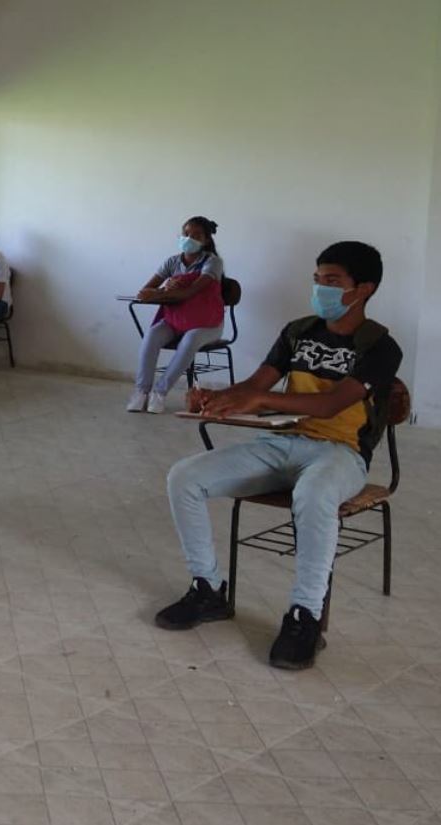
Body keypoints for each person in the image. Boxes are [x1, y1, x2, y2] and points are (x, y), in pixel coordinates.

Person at [155, 241, 402, 670]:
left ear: (364, 289)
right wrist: (216, 397)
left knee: (315, 493)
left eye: (332, 281)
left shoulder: (380, 346)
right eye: (317, 279)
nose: (321, 289)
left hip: (342, 454)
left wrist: (261, 400)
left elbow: (331, 405)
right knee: (184, 476)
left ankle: (305, 616)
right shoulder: (298, 331)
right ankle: (207, 590)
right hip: (281, 443)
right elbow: (257, 387)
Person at [127, 216, 226, 414]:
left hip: (206, 323)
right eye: (186, 234)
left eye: (196, 235)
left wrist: (164, 291)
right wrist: (164, 289)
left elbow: (190, 292)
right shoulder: (172, 262)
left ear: (206, 240)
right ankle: (141, 391)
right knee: (152, 336)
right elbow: (145, 291)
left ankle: (160, 392)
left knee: (190, 340)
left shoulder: (213, 262)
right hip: (175, 320)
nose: (189, 239)